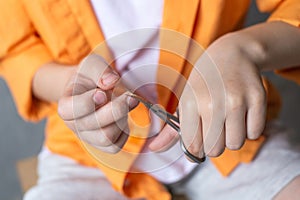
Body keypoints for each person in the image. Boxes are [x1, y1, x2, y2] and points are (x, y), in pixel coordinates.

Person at [0, 0, 300, 199]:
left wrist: (247, 48)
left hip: (227, 129)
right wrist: (72, 86)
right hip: (85, 151)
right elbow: (17, 52)